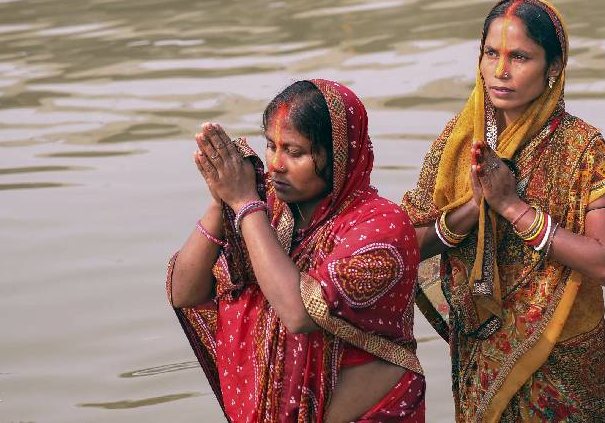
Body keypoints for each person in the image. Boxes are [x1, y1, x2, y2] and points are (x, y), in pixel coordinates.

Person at [402, 0, 605, 422]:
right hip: (480, 349)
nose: (500, 71)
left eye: (519, 57)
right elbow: (407, 243)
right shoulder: (458, 140)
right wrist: (471, 210)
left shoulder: (582, 147)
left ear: (553, 67)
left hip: (561, 357)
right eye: (491, 54)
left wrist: (511, 207)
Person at [166, 79, 425, 422]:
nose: (275, 165)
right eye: (271, 146)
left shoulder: (381, 226)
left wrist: (243, 203)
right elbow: (183, 292)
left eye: (295, 152)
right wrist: (221, 201)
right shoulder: (265, 211)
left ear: (341, 154)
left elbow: (299, 313)